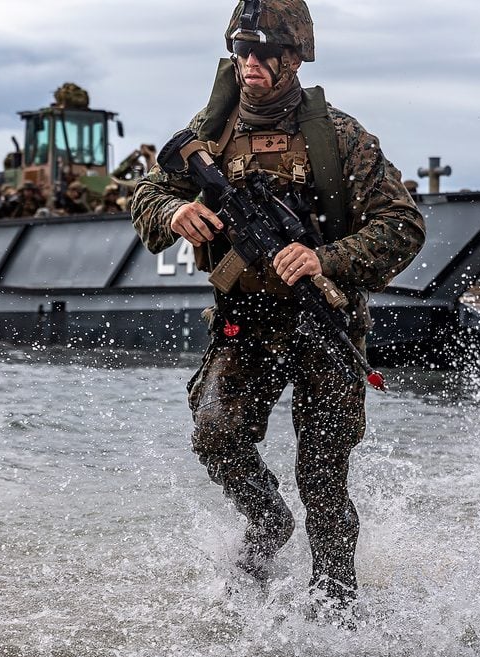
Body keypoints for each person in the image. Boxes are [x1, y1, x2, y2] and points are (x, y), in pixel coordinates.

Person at [130, 0, 425, 612]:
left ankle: (336, 609)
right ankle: (267, 523)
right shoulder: (211, 132)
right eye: (242, 49)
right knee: (215, 435)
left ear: (294, 59)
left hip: (325, 323)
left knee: (322, 478)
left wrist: (327, 259)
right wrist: (173, 211)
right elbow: (151, 191)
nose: (251, 62)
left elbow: (403, 225)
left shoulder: (340, 137)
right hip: (247, 324)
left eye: (266, 51)